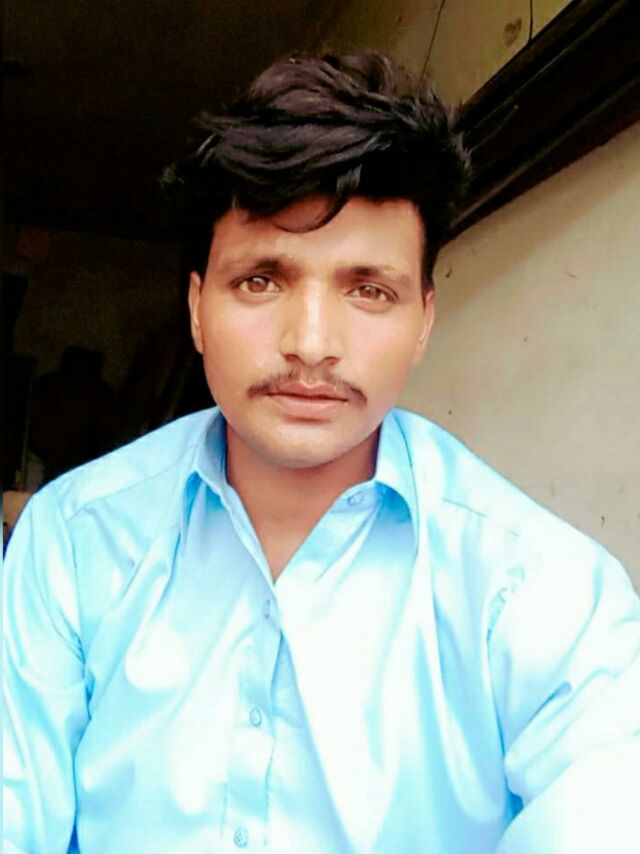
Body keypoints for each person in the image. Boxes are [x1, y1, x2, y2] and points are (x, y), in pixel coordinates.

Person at [3, 50, 639, 854]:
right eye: (261, 281)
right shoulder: (74, 541)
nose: (310, 343)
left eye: (368, 290)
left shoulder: (542, 591)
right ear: (196, 308)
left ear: (424, 321)